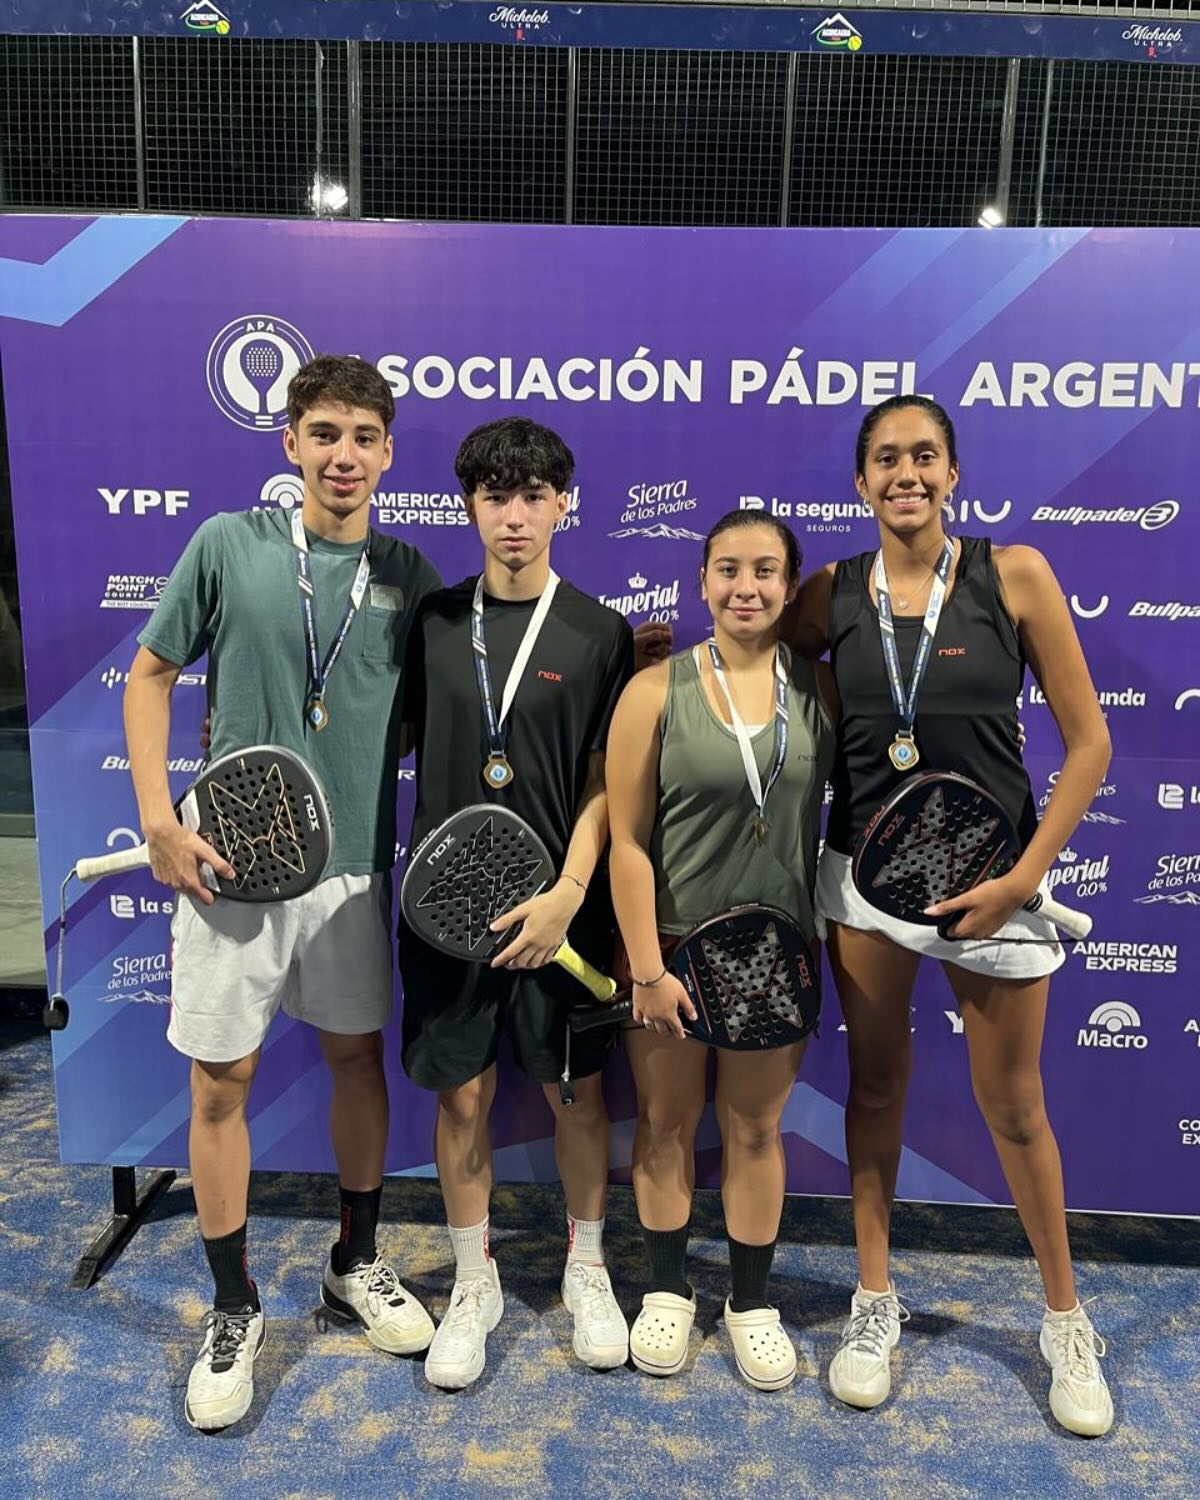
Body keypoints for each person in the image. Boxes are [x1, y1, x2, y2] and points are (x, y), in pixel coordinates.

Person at [125, 355, 441, 1431]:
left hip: (353, 869)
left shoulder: (410, 571)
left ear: (389, 452)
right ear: (290, 444)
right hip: (232, 866)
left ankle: (354, 1262)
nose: (344, 455)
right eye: (325, 434)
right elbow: (150, 674)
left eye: (364, 436)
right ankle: (234, 1303)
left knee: (357, 1059)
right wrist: (161, 821)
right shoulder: (228, 544)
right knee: (224, 1080)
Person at [789, 394, 1114, 1436]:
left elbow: (1091, 742)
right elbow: (767, 672)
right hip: (866, 884)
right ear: (860, 481)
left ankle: (1067, 1320)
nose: (906, 474)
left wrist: (1023, 881)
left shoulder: (1013, 573)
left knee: (1015, 1107)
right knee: (877, 1085)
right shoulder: (830, 591)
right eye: (886, 459)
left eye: (924, 456)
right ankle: (873, 1303)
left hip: (997, 885)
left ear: (954, 473)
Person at [399, 416, 634, 1389]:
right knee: (463, 1095)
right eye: (496, 496)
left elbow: (607, 781)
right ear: (470, 507)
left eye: (535, 496)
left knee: (574, 1093)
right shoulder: (434, 624)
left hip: (561, 912)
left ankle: (587, 1268)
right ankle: (474, 1280)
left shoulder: (599, 632)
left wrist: (569, 893)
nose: (516, 516)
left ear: (564, 506)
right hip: (450, 910)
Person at [605, 509, 836, 1389]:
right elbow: (626, 841)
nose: (747, 587)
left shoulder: (820, 687)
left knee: (754, 1127)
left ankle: (750, 1302)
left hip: (779, 949)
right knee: (665, 1122)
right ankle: (667, 1293)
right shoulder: (654, 690)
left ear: (788, 586)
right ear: (702, 582)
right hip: (667, 947)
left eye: (766, 572)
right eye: (728, 570)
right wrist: (647, 969)